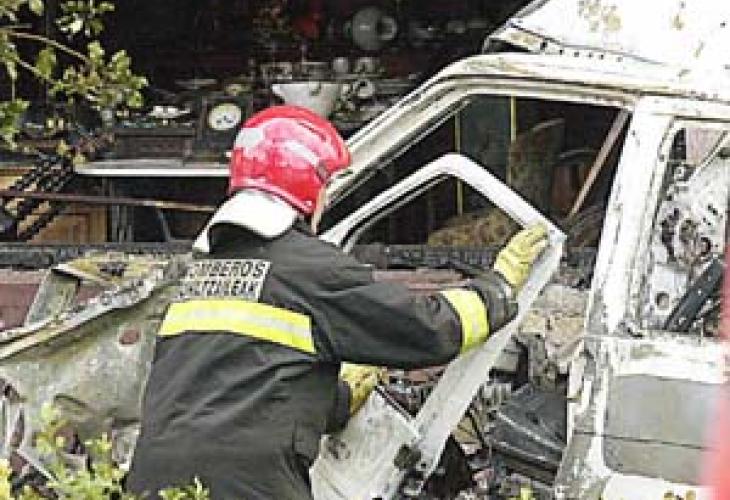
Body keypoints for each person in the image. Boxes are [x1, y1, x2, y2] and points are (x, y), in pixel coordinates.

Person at [126, 105, 548, 499]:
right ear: (307, 186)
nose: (326, 199)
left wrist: (339, 401)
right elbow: (428, 330)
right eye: (325, 186)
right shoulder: (310, 269)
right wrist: (499, 288)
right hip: (247, 482)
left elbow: (233, 390)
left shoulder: (202, 273)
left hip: (152, 477)